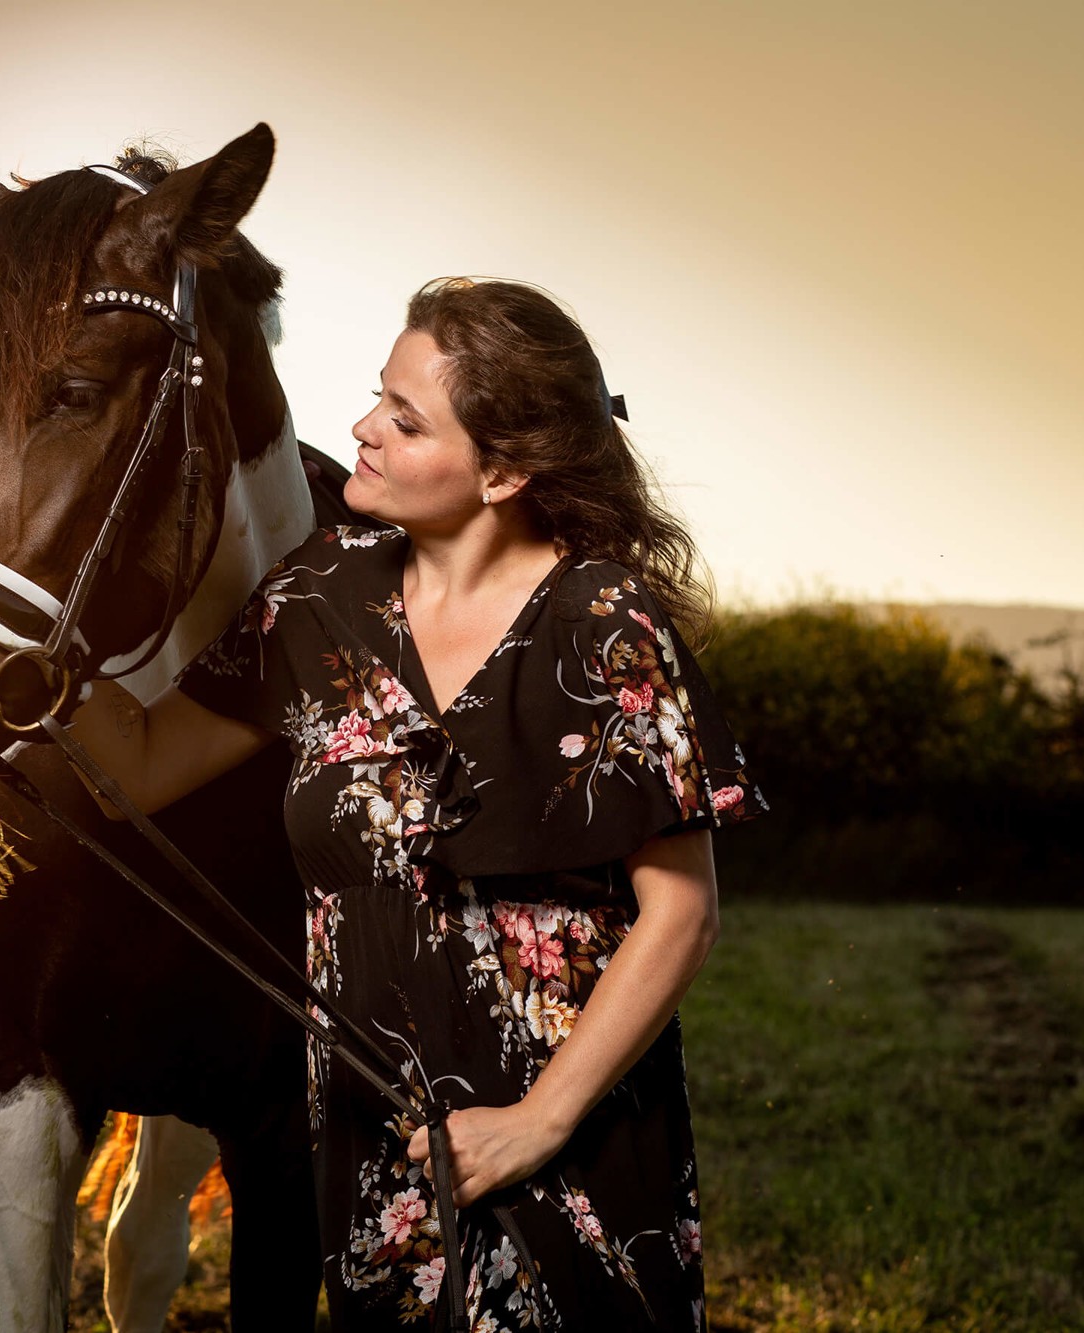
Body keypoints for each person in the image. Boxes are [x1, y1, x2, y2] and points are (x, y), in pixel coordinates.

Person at [68, 277, 765, 1331]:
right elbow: (140, 762)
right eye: (376, 398)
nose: (362, 429)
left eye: (405, 418)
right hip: (374, 1145)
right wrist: (8, 633)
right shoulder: (314, 598)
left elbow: (683, 912)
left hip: (571, 1139)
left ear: (503, 470)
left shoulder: (602, 619)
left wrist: (536, 1122)